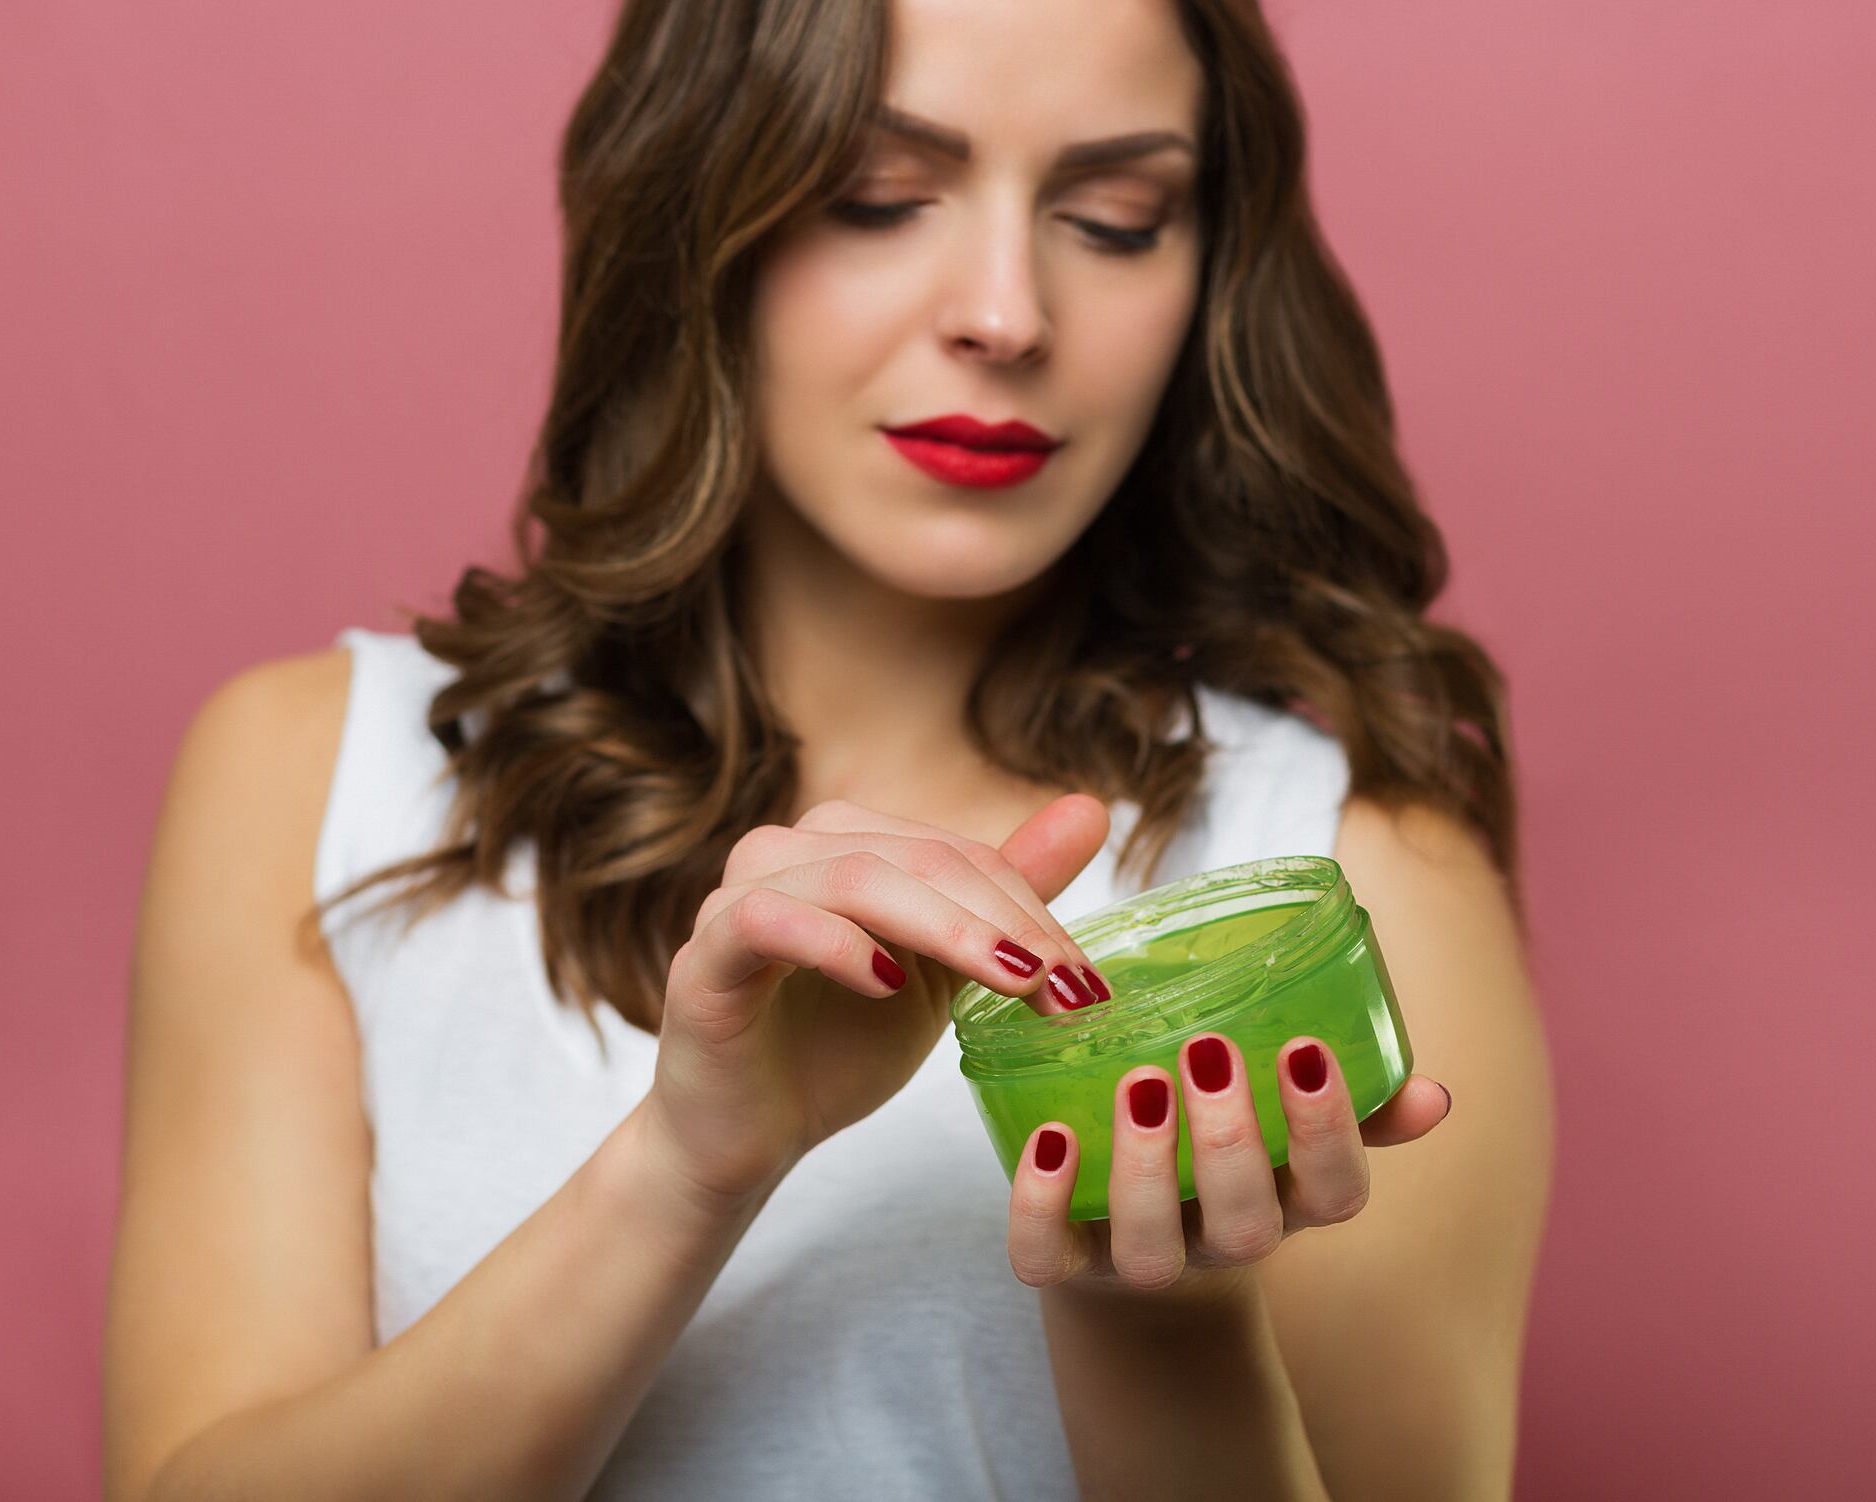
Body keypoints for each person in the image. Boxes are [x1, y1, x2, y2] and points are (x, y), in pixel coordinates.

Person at [101, 0, 1555, 1497]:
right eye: (877, 195)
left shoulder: (1345, 868)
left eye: (1115, 217)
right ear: (691, 207)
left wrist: (1154, 1310)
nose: (1006, 310)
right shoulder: (322, 777)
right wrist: (683, 1172)